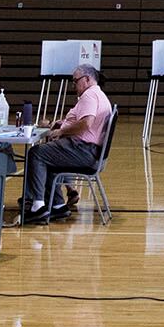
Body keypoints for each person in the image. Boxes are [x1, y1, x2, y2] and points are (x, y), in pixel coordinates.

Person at [18, 61, 112, 225]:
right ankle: (58, 205)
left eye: (76, 81)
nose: (74, 85)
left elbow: (86, 123)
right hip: (92, 153)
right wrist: (62, 124)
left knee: (37, 154)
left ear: (87, 79)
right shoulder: (99, 95)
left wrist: (61, 131)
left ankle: (37, 206)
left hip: (84, 151)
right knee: (49, 158)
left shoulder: (89, 95)